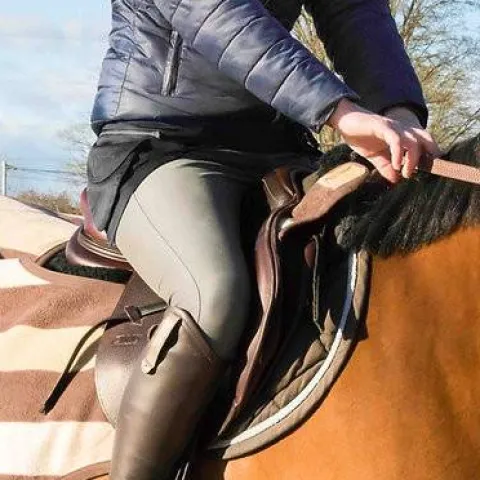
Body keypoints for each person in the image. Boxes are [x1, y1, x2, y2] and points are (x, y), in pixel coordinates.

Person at [86, 0, 440, 478]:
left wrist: (397, 110)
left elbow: (353, 11)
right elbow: (215, 13)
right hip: (162, 140)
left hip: (279, 150)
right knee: (214, 296)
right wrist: (339, 111)